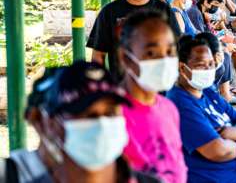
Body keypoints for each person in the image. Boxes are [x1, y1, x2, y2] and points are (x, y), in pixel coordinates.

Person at [3, 61, 160, 183]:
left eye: (110, 113)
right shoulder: (8, 174)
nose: (102, 124)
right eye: (88, 115)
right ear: (48, 123)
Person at [167, 34, 236, 183]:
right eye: (201, 65)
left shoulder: (207, 91)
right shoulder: (180, 103)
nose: (208, 70)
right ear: (182, 67)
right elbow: (217, 151)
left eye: (211, 64)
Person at [118, 9, 188, 183]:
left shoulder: (168, 108)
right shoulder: (111, 114)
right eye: (151, 53)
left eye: (170, 52)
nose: (164, 61)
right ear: (125, 59)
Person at [87, 0, 181, 80]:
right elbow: (98, 55)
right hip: (122, 87)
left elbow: (177, 46)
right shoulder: (109, 12)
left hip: (158, 85)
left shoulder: (163, 10)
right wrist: (100, 85)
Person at [197, 32, 236, 105]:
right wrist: (224, 46)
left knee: (224, 57)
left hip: (207, 41)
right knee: (225, 54)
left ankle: (226, 91)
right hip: (202, 45)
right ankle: (225, 93)